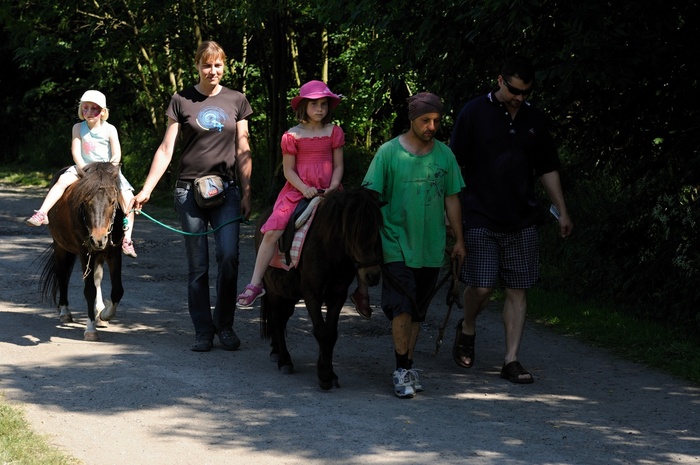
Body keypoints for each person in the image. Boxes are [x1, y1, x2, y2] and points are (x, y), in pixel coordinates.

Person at [449, 55, 573, 384]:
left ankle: (511, 360)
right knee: (482, 287)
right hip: (480, 215)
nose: (520, 97)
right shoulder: (473, 112)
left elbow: (547, 167)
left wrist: (561, 209)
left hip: (522, 218)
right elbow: (453, 166)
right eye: (515, 90)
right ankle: (468, 326)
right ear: (500, 81)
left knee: (518, 290)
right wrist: (450, 214)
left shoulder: (535, 119)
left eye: (526, 92)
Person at [131, 40, 253, 352]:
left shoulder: (237, 100)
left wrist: (247, 191)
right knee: (198, 266)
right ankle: (203, 330)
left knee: (229, 257)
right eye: (206, 65)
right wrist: (146, 189)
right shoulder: (181, 100)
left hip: (227, 190)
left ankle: (225, 325)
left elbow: (243, 148)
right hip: (189, 191)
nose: (212, 71)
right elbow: (166, 148)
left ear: (225, 66)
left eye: (218, 65)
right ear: (197, 66)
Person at [363, 92, 465, 398]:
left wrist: (459, 241)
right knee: (403, 307)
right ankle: (401, 370)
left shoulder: (445, 156)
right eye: (425, 120)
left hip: (430, 246)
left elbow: (452, 199)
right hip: (394, 243)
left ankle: (408, 365)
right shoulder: (388, 153)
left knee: (418, 311)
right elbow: (369, 199)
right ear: (412, 119)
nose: (432, 126)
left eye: (436, 121)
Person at [237, 80, 344, 307]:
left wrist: (334, 186)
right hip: (297, 191)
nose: (320, 109)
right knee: (272, 230)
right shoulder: (292, 135)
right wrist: (305, 189)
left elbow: (338, 165)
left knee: (356, 228)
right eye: (314, 104)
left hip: (330, 191)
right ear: (303, 106)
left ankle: (361, 290)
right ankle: (255, 283)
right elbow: (288, 170)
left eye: (324, 104)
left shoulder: (334, 132)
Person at [26, 90, 138, 258]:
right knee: (62, 181)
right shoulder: (78, 127)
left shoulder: (110, 129)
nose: (89, 112)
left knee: (128, 199)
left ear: (103, 111)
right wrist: (85, 170)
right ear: (81, 109)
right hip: (84, 169)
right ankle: (43, 212)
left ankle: (127, 239)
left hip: (107, 172)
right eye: (86, 108)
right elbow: (76, 152)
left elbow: (116, 155)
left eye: (94, 109)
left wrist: (109, 171)